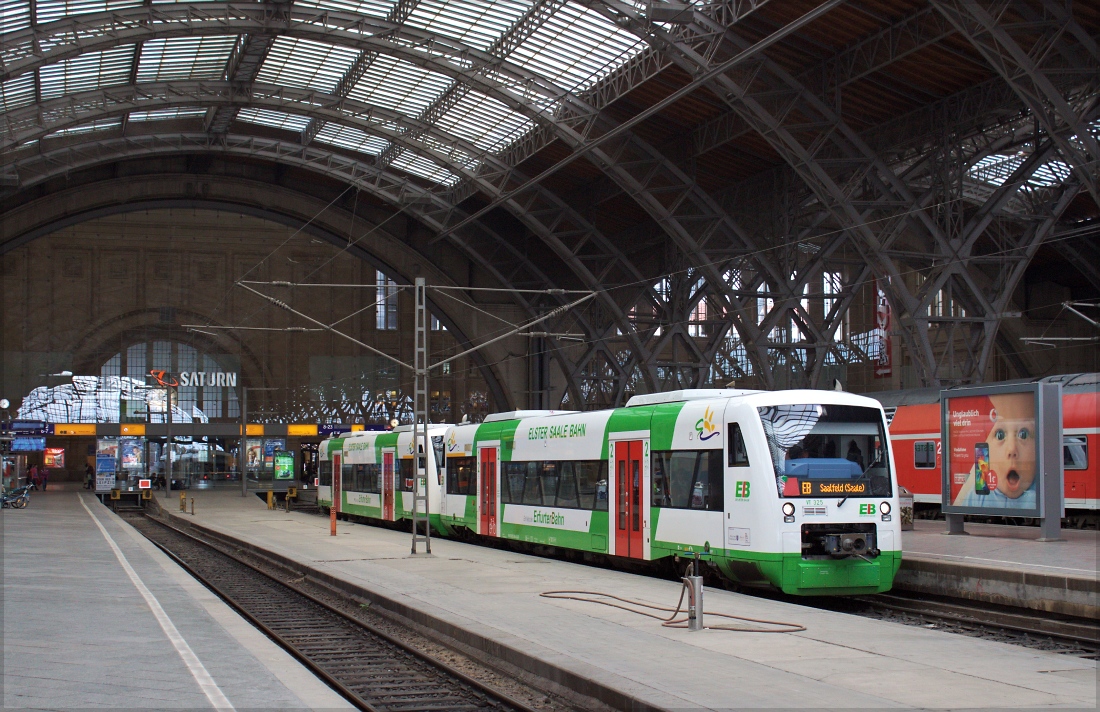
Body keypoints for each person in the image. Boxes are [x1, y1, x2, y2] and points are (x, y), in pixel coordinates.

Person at [954, 393, 1037, 508]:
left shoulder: (1039, 496)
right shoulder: (979, 494)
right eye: (1000, 435)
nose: (1012, 449)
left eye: (1023, 434)